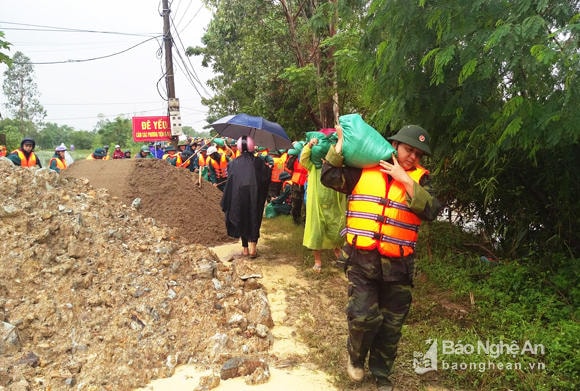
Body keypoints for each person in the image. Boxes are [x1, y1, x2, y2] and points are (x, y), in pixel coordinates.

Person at [320, 124, 442, 391]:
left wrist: (405, 179)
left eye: (418, 154)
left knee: (390, 326)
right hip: (362, 261)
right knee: (362, 317)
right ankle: (355, 357)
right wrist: (339, 144)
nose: (413, 157)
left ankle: (381, 373)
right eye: (409, 149)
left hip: (399, 267)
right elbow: (329, 177)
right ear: (395, 145)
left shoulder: (421, 180)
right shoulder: (366, 168)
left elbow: (432, 209)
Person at [300, 135, 346, 273]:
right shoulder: (313, 167)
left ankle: (338, 253)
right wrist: (309, 145)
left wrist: (340, 139)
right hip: (316, 203)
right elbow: (303, 159)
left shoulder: (336, 168)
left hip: (334, 204)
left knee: (336, 228)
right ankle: (317, 261)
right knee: (316, 231)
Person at [221, 136, 271, 258]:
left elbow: (230, 181)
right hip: (254, 196)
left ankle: (245, 249)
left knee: (242, 218)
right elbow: (265, 178)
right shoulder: (258, 162)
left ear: (238, 147)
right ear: (252, 147)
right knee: (254, 217)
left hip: (238, 197)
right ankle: (253, 248)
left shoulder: (233, 163)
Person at [286, 147, 308, 225]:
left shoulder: (309, 157)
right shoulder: (294, 159)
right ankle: (296, 219)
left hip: (305, 183)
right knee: (296, 202)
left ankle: (305, 221)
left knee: (306, 204)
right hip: (296, 183)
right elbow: (288, 166)